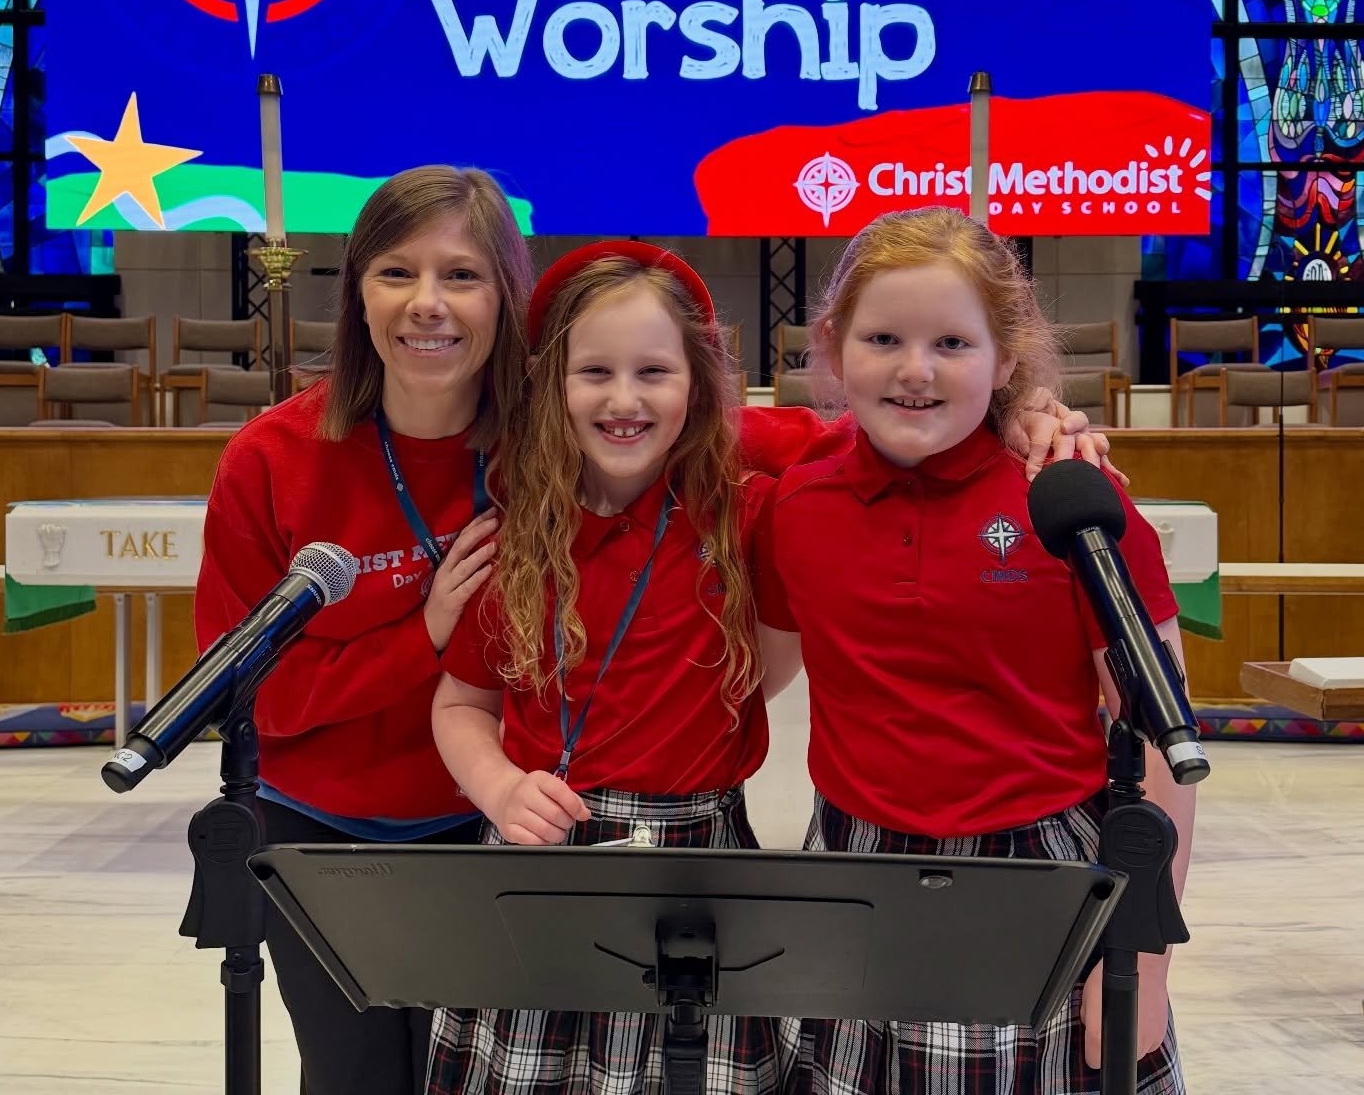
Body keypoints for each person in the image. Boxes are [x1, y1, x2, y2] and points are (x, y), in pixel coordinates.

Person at [754, 207, 1193, 1095]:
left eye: (953, 343)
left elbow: (1162, 743)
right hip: (858, 872)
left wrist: (1144, 964)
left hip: (1046, 879)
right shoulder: (796, 508)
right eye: (884, 338)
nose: (916, 371)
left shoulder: (1074, 501)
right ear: (834, 347)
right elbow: (750, 677)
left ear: (1006, 358)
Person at [194, 166, 533, 1095]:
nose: (429, 304)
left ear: (507, 294)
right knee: (356, 1077)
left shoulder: (547, 445)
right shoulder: (272, 459)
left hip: (495, 831)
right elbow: (251, 696)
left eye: (462, 275)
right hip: (325, 840)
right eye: (396, 273)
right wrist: (422, 634)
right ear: (357, 294)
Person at [427, 240, 789, 1094]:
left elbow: (767, 672)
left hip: (699, 863)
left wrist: (1031, 405)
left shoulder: (749, 516)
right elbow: (460, 704)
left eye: (653, 371)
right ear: (553, 386)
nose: (624, 400)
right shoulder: (515, 532)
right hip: (540, 862)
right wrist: (501, 789)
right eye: (594, 372)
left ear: (697, 383)